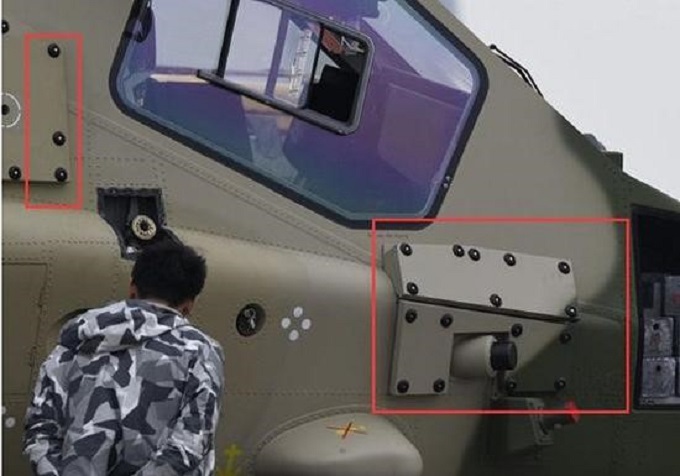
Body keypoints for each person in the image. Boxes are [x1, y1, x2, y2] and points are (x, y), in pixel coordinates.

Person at [23, 241, 225, 475]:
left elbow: (41, 430)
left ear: (132, 289)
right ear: (189, 306)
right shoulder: (201, 352)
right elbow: (191, 444)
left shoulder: (77, 338)